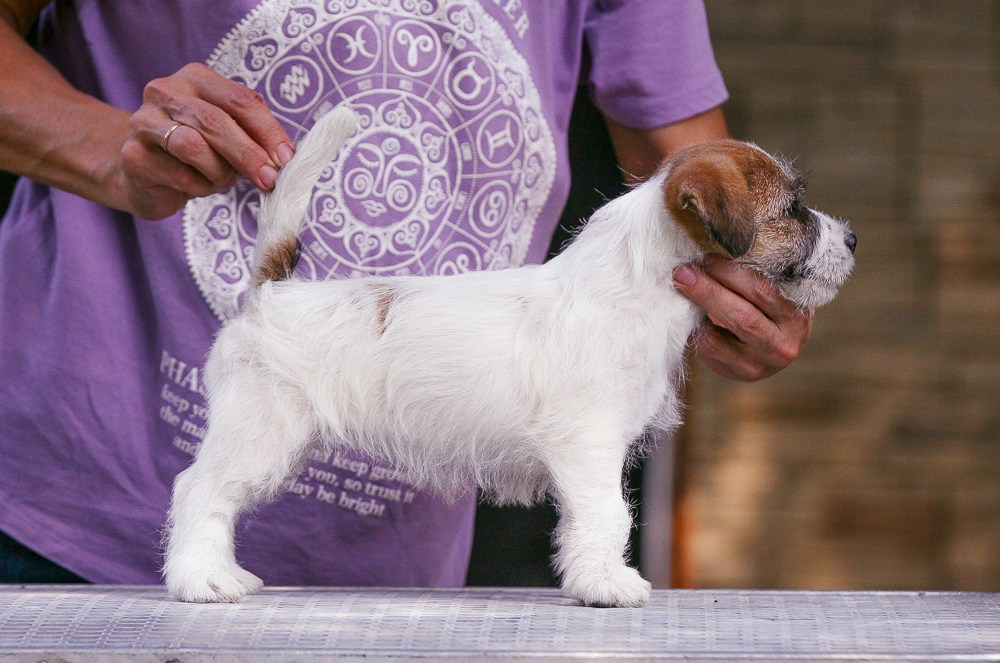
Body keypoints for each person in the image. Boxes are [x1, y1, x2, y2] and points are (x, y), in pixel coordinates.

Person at [0, 1, 812, 586]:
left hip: (405, 572)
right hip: (68, 515)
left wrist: (749, 287)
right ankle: (200, 537)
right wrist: (110, 148)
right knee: (250, 449)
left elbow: (694, 158)